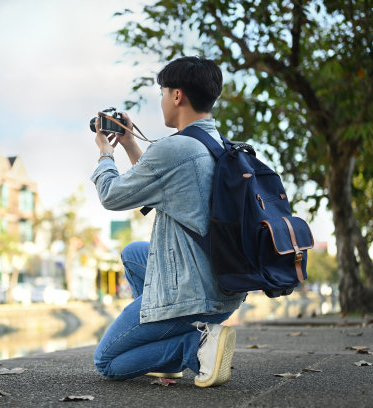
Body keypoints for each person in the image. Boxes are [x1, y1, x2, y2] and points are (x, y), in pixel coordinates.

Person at [91, 56, 246, 387]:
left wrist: (106, 153)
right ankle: (166, 351)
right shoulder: (218, 144)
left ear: (177, 96)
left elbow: (112, 195)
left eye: (162, 92)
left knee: (107, 361)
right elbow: (155, 186)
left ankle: (196, 346)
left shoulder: (175, 150)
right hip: (225, 283)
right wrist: (131, 141)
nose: (161, 100)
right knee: (134, 253)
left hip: (195, 295)